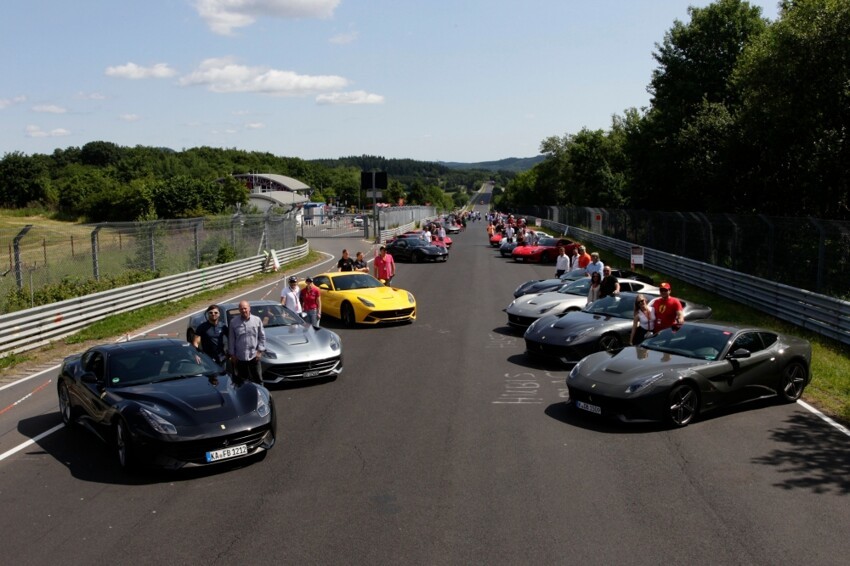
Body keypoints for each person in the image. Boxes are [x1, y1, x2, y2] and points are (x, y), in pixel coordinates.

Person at [228, 300, 265, 384]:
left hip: (254, 356)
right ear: (239, 310)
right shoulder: (234, 322)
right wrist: (232, 354)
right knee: (242, 381)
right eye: (241, 309)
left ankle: (260, 395)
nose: (243, 310)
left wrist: (259, 351)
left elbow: (262, 336)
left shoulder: (257, 320)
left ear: (249, 308)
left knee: (258, 379)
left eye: (245, 308)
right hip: (240, 357)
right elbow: (231, 339)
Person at [192, 304, 228, 368]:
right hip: (208, 359)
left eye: (215, 312)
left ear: (219, 314)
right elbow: (196, 342)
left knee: (223, 377)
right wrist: (196, 354)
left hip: (222, 358)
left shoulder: (223, 326)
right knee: (211, 377)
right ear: (208, 314)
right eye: (211, 313)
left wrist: (231, 353)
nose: (213, 314)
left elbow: (231, 339)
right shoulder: (202, 327)